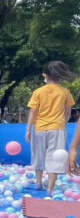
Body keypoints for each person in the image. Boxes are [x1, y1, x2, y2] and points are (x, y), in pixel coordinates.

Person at [27, 61, 75, 193]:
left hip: (39, 128)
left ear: (45, 75)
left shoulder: (38, 92)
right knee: (55, 157)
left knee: (39, 155)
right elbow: (68, 112)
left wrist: (28, 129)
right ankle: (50, 189)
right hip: (57, 127)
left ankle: (38, 182)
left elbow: (33, 111)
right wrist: (62, 124)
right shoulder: (65, 92)